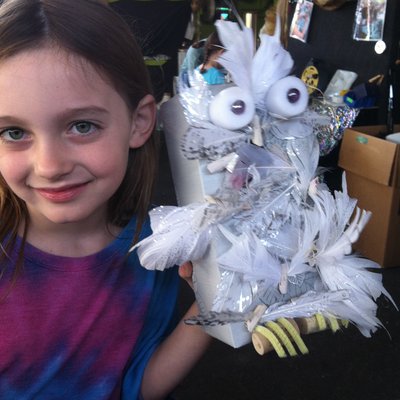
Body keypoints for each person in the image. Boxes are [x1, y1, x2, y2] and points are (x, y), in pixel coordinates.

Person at [0, 0, 211, 399]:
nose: (49, 166)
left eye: (82, 126)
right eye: (13, 133)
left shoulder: (155, 249)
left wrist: (213, 303)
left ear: (139, 122)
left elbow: (134, 385)